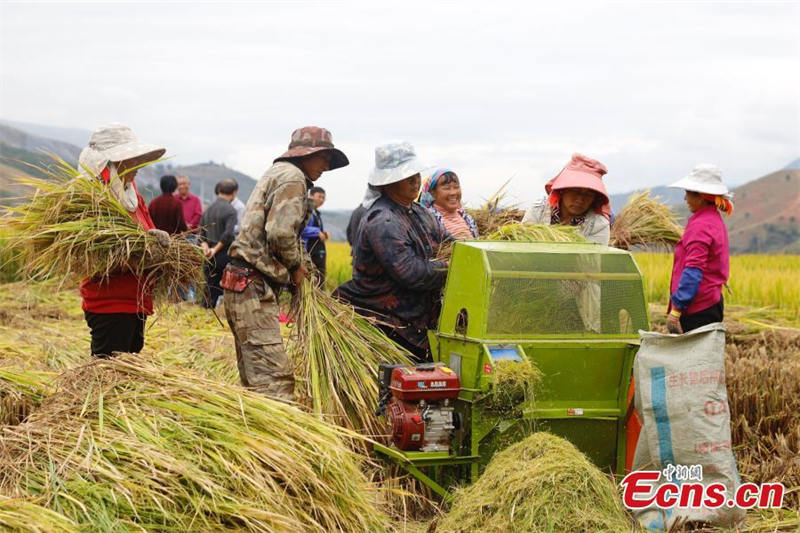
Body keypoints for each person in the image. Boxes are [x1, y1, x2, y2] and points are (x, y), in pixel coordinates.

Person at [222, 126, 349, 400]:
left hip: (241, 281)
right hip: (251, 286)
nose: (326, 165)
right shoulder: (293, 178)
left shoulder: (277, 173)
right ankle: (277, 440)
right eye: (323, 157)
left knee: (256, 380)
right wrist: (296, 268)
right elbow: (280, 232)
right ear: (305, 155)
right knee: (273, 384)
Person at [335, 142, 448, 362]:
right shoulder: (383, 221)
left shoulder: (421, 213)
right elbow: (411, 273)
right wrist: (452, 267)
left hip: (418, 320)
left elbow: (448, 242)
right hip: (387, 324)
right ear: (388, 182)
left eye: (415, 174)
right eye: (407, 176)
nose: (415, 181)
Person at [77, 123, 171, 357]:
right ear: (111, 163)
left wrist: (157, 242)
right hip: (110, 302)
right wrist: (141, 256)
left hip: (135, 299)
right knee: (110, 373)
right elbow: (96, 255)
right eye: (130, 158)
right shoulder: (94, 200)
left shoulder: (132, 195)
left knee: (129, 366)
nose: (137, 165)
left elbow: (147, 229)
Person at [666, 164, 733, 334]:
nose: (685, 198)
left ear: (701, 197)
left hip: (697, 309)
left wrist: (676, 311)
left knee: (690, 359)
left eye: (688, 193)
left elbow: (693, 271)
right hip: (709, 304)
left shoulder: (701, 226)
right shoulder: (713, 220)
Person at [522, 153, 611, 245]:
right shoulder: (538, 210)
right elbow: (523, 243)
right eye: (575, 191)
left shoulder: (598, 225)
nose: (580, 199)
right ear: (562, 191)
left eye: (588, 194)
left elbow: (593, 257)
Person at [199, 179, 238, 308]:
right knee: (222, 289)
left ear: (219, 191)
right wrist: (215, 250)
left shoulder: (208, 209)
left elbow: (201, 234)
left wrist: (206, 249)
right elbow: (228, 235)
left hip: (208, 254)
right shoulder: (231, 210)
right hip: (223, 254)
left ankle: (205, 313)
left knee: (209, 288)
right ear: (234, 193)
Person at [418, 167, 479, 239]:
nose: (453, 193)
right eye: (447, 188)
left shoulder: (467, 219)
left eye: (456, 187)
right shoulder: (428, 220)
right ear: (433, 193)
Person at [301, 186, 330, 285]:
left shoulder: (316, 213)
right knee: (311, 277)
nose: (322, 200)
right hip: (308, 250)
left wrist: (323, 233)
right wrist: (317, 232)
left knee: (320, 276)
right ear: (311, 196)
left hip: (317, 251)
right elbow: (300, 228)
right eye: (319, 197)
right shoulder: (305, 210)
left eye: (323, 198)